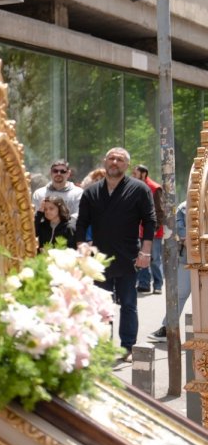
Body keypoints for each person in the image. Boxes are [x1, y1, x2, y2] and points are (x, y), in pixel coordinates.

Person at [75, 147, 156, 362]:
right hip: (99, 258)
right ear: (105, 161)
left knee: (128, 304)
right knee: (102, 306)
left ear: (127, 165)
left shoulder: (139, 189)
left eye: (120, 159)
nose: (114, 162)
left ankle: (127, 347)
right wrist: (82, 248)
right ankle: (103, 348)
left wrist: (146, 251)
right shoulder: (91, 191)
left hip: (128, 256)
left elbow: (149, 221)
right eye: (111, 158)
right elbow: (82, 222)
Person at [151, 199, 190, 340]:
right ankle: (168, 328)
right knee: (179, 294)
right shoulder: (184, 206)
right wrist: (190, 240)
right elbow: (178, 227)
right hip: (188, 259)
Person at [132, 164, 165, 294]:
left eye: (135, 173)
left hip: (154, 231)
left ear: (143, 174)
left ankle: (158, 284)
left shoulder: (155, 188)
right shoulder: (135, 187)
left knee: (155, 259)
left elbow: (160, 210)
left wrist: (155, 228)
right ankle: (144, 284)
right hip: (140, 230)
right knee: (141, 256)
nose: (133, 176)